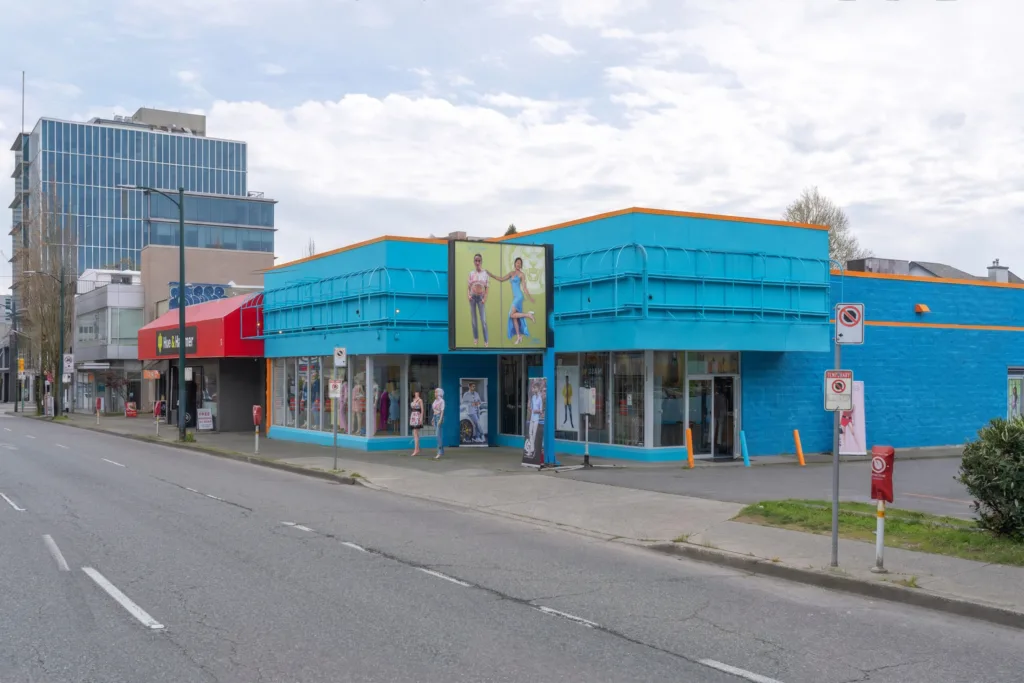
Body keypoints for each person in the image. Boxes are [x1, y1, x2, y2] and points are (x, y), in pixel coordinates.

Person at [489, 257, 535, 345]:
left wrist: (530, 297)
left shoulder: (522, 274)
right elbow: (501, 279)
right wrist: (491, 275)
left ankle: (528, 315)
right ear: (515, 263)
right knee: (514, 317)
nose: (518, 264)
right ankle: (518, 336)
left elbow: (524, 288)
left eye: (520, 263)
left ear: (521, 265)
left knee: (511, 314)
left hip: (519, 297)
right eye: (517, 262)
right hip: (515, 297)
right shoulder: (511, 273)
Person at [467, 253, 489, 347]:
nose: (477, 262)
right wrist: (468, 295)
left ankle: (486, 340)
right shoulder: (471, 273)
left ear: (481, 261)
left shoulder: (485, 274)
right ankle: (475, 337)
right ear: (474, 262)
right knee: (473, 320)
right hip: (473, 297)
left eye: (479, 261)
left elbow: (487, 287)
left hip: (480, 298)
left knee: (483, 320)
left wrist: (484, 298)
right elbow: (468, 287)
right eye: (476, 261)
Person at [528, 381, 543, 457]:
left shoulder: (540, 399)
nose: (534, 389)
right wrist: (530, 409)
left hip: (536, 418)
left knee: (534, 434)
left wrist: (535, 411)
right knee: (530, 433)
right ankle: (531, 449)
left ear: (538, 388)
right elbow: (531, 408)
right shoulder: (533, 397)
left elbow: (541, 411)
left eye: (535, 388)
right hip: (532, 417)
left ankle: (532, 450)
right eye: (534, 388)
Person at [432, 388, 446, 459]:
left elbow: (442, 411)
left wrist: (440, 419)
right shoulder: (435, 401)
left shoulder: (442, 401)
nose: (435, 393)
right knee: (438, 434)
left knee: (438, 435)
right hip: (435, 417)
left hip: (439, 417)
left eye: (436, 392)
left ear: (439, 393)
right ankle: (441, 451)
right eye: (435, 392)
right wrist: (433, 418)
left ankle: (439, 452)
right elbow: (434, 410)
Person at [410, 390, 424, 456]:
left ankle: (416, 450)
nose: (416, 394)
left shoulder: (420, 400)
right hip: (413, 416)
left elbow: (422, 410)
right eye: (415, 393)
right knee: (415, 433)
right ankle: (417, 448)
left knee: (415, 433)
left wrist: (421, 418)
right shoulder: (414, 399)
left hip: (417, 416)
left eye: (417, 393)